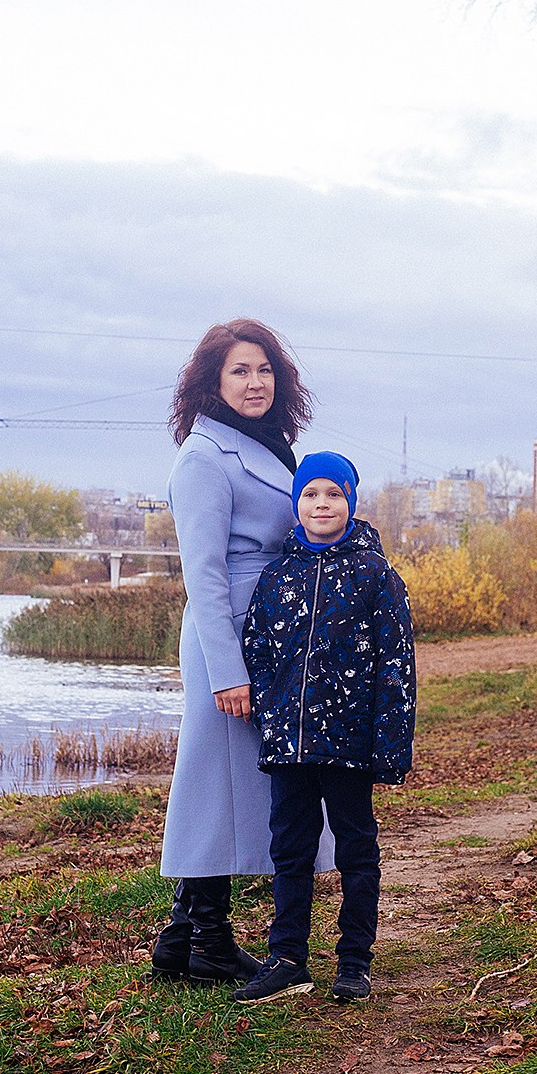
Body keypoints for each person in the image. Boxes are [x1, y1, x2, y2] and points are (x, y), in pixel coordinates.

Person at [151, 319, 331, 984]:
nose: (255, 383)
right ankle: (207, 942)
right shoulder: (203, 458)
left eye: (263, 370)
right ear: (212, 383)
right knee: (212, 786)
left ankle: (185, 936)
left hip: (270, 635)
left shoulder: (267, 444)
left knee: (228, 789)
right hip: (225, 641)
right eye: (239, 372)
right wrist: (228, 670)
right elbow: (202, 576)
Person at [231, 451, 415, 1005]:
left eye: (333, 494)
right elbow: (257, 650)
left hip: (350, 744)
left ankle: (354, 961)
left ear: (350, 501)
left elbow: (396, 665)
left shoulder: (376, 576)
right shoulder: (277, 575)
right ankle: (287, 957)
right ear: (296, 504)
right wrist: (271, 713)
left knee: (356, 849)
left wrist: (390, 745)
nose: (321, 504)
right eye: (311, 494)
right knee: (290, 848)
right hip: (290, 742)